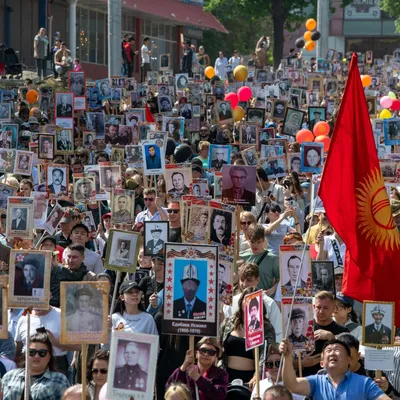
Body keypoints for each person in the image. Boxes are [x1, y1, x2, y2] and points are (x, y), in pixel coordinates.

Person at [279, 338, 390, 400]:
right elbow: (291, 385)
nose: (332, 353)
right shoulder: (316, 382)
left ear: (349, 360)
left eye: (337, 350)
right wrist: (287, 356)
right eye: (328, 351)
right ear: (322, 363)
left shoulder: (364, 383)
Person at [220, 287, 276, 384]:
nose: (249, 303)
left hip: (251, 380)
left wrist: (257, 375)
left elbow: (266, 354)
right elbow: (220, 346)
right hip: (226, 377)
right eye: (246, 299)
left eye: (253, 301)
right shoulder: (229, 322)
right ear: (241, 301)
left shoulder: (266, 328)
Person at [2, 332, 70, 399]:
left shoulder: (59, 379)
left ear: (49, 356)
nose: (36, 356)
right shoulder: (9, 376)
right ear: (26, 354)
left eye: (42, 353)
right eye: (32, 352)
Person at [303, 291, 349, 376]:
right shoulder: (303, 328)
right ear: (314, 307)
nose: (321, 311)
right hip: (306, 379)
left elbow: (348, 358)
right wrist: (302, 363)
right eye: (318, 307)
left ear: (333, 308)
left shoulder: (342, 331)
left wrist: (332, 338)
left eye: (326, 308)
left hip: (332, 379)